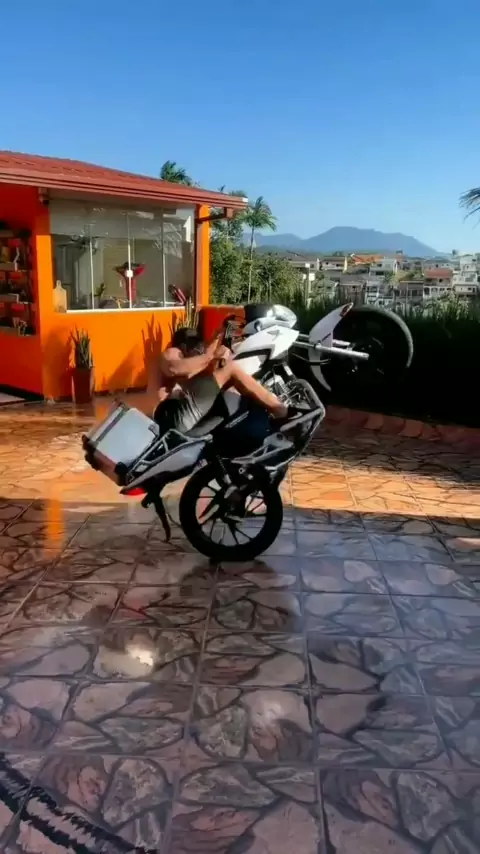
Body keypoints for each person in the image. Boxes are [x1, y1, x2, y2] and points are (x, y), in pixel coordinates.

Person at [152, 327, 288, 433]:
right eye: (195, 345)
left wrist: (217, 354)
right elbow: (174, 368)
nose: (199, 349)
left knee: (230, 382)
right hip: (175, 415)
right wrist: (210, 356)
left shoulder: (194, 366)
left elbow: (203, 376)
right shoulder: (172, 353)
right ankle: (280, 410)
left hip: (184, 417)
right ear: (183, 346)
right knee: (231, 369)